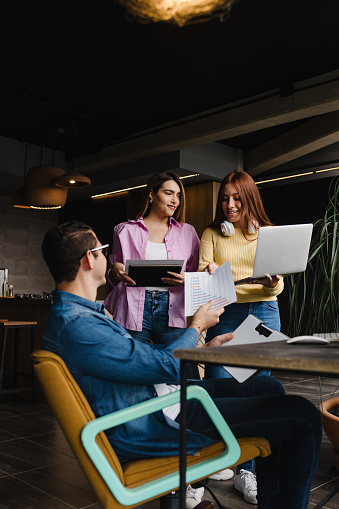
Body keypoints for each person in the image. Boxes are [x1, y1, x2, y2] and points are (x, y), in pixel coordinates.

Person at [41, 221, 321, 509]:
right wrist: (197, 327)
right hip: (156, 421)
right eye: (102, 249)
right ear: (89, 258)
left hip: (159, 401)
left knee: (267, 385)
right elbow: (161, 366)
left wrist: (204, 350)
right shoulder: (79, 325)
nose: (107, 256)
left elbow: (143, 358)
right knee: (304, 416)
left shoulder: (78, 316)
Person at [199, 170, 285, 503]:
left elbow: (279, 284)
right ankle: (222, 456)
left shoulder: (268, 233)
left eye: (237, 198)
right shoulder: (212, 233)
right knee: (220, 388)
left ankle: (247, 470)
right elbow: (204, 268)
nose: (230, 204)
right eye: (225, 198)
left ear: (249, 198)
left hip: (263, 311)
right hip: (226, 313)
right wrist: (209, 272)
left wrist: (270, 282)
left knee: (255, 389)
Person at [104, 171, 200, 347]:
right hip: (132, 308)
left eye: (178, 195)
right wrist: (116, 271)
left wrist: (187, 279)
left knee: (181, 367)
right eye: (168, 193)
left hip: (173, 308)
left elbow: (198, 273)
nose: (175, 201)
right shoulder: (124, 231)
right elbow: (112, 275)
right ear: (152, 194)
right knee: (133, 365)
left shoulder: (188, 232)